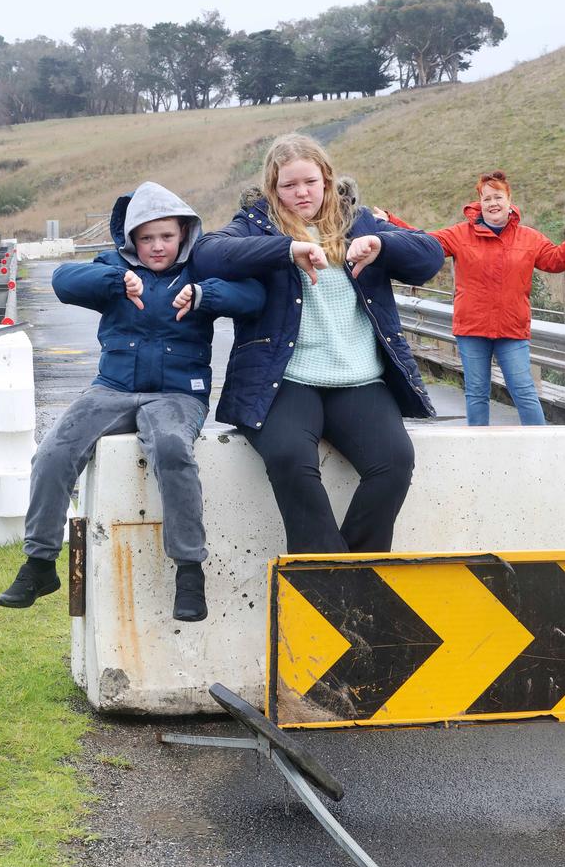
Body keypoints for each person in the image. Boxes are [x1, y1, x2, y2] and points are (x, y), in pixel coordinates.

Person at [0, 181, 264, 620]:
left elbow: (253, 296)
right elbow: (65, 280)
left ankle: (190, 572)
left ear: (183, 234)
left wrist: (204, 295)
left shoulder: (199, 269)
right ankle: (40, 564)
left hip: (178, 395)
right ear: (131, 239)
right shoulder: (115, 266)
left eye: (166, 236)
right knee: (53, 451)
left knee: (173, 449)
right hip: (112, 389)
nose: (156, 246)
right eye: (146, 237)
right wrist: (116, 279)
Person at [187, 133, 444, 554]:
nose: (301, 193)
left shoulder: (360, 222)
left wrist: (383, 244)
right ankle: (327, 577)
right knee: (289, 459)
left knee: (394, 464)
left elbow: (430, 255)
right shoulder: (256, 224)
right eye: (289, 185)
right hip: (284, 379)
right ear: (274, 188)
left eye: (309, 181)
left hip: (359, 379)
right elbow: (208, 254)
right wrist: (287, 249)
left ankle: (356, 576)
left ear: (327, 179)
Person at [373, 172, 565, 426]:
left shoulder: (529, 237)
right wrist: (391, 222)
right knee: (476, 394)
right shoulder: (460, 234)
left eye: (498, 197)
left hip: (512, 330)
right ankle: (478, 456)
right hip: (472, 329)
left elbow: (557, 260)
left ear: (509, 200)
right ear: (479, 202)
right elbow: (424, 244)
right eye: (487, 198)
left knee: (524, 393)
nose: (493, 203)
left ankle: (542, 451)